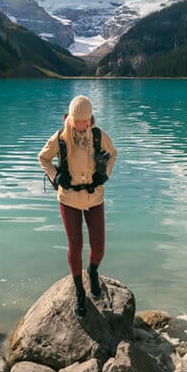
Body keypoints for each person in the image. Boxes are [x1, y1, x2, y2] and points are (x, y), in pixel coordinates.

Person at [38, 95, 118, 317]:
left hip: (95, 197)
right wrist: (55, 176)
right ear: (71, 117)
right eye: (78, 120)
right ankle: (79, 292)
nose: (82, 124)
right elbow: (43, 158)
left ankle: (92, 272)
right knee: (75, 245)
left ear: (90, 118)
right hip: (69, 198)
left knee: (99, 246)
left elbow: (113, 154)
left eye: (86, 120)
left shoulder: (98, 135)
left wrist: (105, 174)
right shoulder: (61, 138)